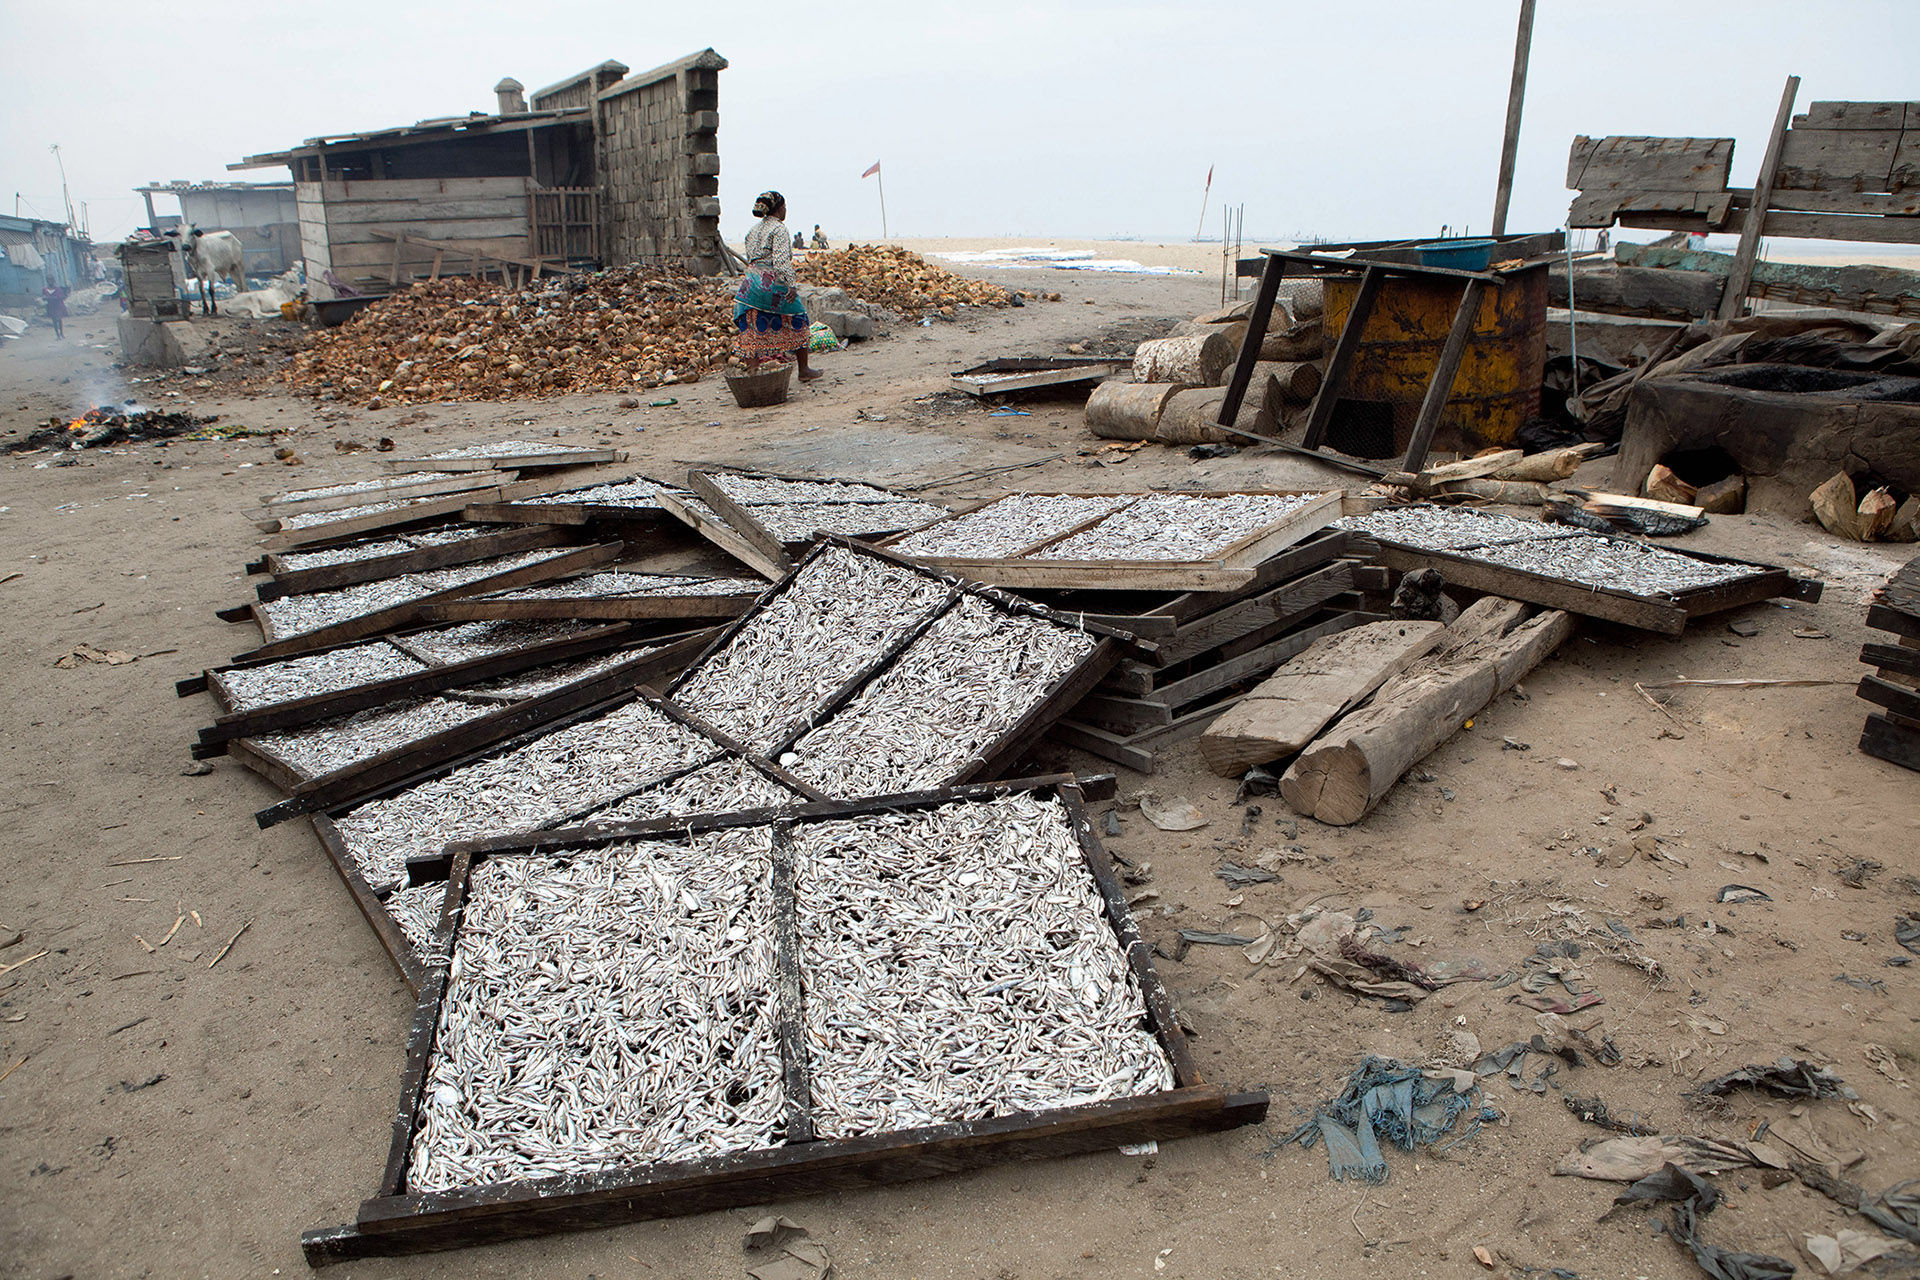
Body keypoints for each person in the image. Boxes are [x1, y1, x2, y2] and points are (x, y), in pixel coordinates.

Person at [734, 190, 821, 382]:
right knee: (798, 318)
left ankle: (753, 373)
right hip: (771, 282)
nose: (786, 211)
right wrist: (791, 285)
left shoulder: (753, 230)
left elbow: (751, 259)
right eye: (785, 207)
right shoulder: (779, 229)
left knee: (751, 325)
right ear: (780, 209)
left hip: (749, 286)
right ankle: (804, 370)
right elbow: (781, 262)